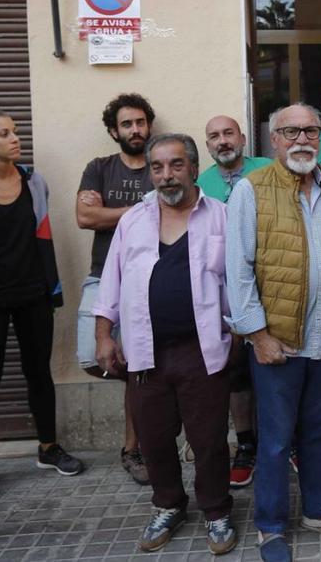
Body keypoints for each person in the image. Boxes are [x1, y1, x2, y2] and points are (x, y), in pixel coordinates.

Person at [226, 103, 321, 562]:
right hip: (279, 344)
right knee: (274, 440)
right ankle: (269, 527)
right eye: (291, 132)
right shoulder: (252, 191)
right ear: (274, 140)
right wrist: (256, 334)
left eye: (311, 131)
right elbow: (238, 270)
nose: (303, 140)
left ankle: (318, 511)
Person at [93, 133, 238, 554]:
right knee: (153, 439)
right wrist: (104, 334)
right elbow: (111, 284)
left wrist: (243, 331)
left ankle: (216, 510)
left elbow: (240, 281)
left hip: (203, 348)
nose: (166, 175)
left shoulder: (222, 217)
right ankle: (169, 504)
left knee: (208, 437)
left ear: (194, 168)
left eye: (176, 165)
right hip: (144, 351)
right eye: (157, 167)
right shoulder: (132, 221)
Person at [0, 110, 83, 499]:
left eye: (16, 131)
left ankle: (47, 447)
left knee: (38, 372)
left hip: (33, 294)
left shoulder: (34, 181)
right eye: (4, 133)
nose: (15, 138)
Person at [74, 92, 155, 486]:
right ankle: (143, 408)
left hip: (151, 282)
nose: (135, 129)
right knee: (93, 356)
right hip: (104, 275)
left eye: (140, 122)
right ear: (113, 130)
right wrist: (138, 211)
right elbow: (85, 215)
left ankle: (133, 448)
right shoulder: (100, 168)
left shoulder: (160, 166)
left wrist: (111, 214)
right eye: (127, 124)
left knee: (140, 369)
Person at [196, 113, 273, 487]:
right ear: (207, 144)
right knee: (236, 373)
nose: (223, 140)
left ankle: (286, 442)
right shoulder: (199, 184)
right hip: (223, 294)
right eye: (214, 136)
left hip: (274, 284)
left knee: (280, 368)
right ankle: (246, 444)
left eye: (229, 133)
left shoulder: (269, 169)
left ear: (242, 137)